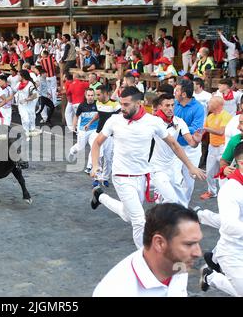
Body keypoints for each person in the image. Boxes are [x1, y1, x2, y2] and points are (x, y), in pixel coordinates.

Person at [90, 86, 205, 248]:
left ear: (139, 103)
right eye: (121, 104)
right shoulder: (114, 120)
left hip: (142, 177)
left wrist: (190, 166)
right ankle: (145, 261)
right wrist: (95, 165)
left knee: (127, 214)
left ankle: (99, 196)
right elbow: (97, 142)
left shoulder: (153, 122)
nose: (122, 108)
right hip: (121, 176)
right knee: (139, 221)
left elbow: (174, 144)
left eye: (126, 105)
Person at [93, 203, 203, 297]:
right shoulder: (115, 292)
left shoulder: (177, 265)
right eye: (189, 244)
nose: (198, 253)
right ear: (159, 243)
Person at [200, 142, 243, 296]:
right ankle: (212, 277)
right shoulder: (231, 190)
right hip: (233, 254)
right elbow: (230, 226)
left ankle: (210, 276)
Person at [150, 93, 202, 205]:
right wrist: (191, 167)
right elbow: (174, 145)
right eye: (167, 105)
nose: (170, 108)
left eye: (172, 105)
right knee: (170, 199)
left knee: (180, 200)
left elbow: (191, 143)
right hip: (156, 166)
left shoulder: (179, 121)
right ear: (160, 107)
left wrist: (196, 141)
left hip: (172, 165)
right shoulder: (153, 122)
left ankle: (181, 218)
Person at [172, 79, 205, 207]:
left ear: (184, 94)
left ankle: (183, 206)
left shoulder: (199, 108)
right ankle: (173, 203)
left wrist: (178, 127)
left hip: (192, 149)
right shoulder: (174, 104)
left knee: (189, 180)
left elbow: (196, 129)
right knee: (174, 178)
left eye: (177, 90)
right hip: (175, 147)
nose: (175, 92)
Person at [200, 97, 232, 200]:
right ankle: (212, 192)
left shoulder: (226, 116)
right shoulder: (210, 117)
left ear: (217, 105)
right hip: (212, 147)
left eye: (210, 103)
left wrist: (206, 128)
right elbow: (203, 131)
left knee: (225, 172)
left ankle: (226, 194)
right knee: (209, 172)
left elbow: (221, 132)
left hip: (223, 148)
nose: (208, 104)